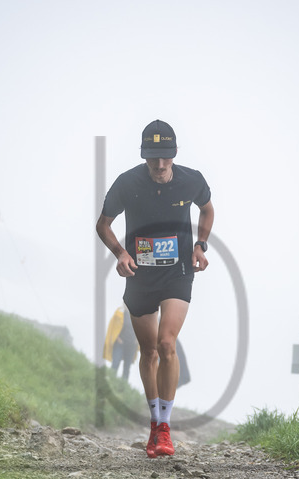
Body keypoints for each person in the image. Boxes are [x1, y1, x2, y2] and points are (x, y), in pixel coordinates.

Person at [96, 119, 214, 458]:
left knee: (166, 344)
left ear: (175, 154)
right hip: (140, 276)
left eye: (165, 158)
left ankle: (165, 428)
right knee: (147, 352)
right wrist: (120, 254)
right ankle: (154, 422)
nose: (159, 165)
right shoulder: (127, 183)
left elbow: (207, 209)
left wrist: (200, 246)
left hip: (177, 273)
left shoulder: (192, 180)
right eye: (152, 158)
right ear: (143, 155)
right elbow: (103, 224)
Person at [103, 306, 138, 380]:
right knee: (115, 362)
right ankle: (111, 380)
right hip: (120, 344)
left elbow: (142, 329)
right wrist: (118, 338)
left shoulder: (138, 315)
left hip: (131, 346)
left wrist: (136, 340)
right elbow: (113, 326)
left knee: (127, 367)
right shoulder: (119, 313)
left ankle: (123, 387)